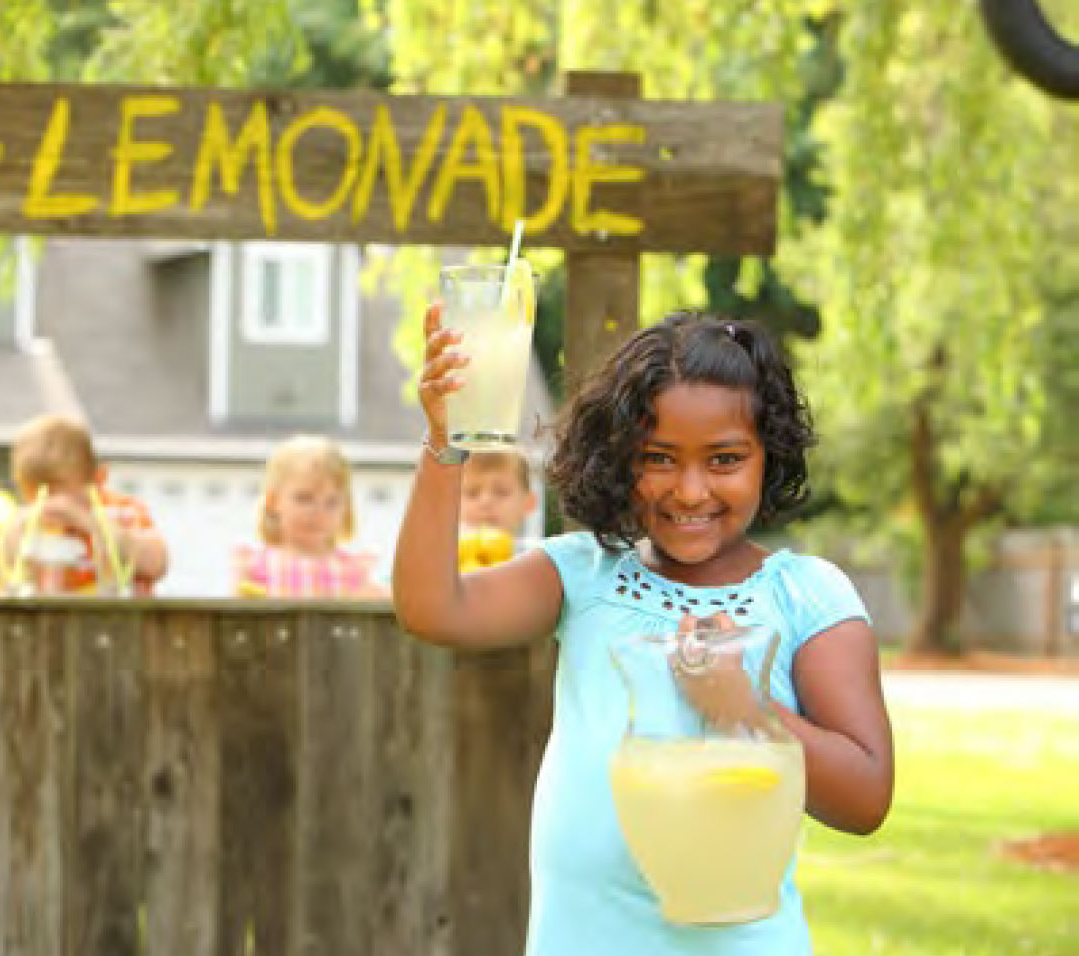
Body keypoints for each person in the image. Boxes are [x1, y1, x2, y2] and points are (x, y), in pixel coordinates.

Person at [393, 307, 894, 955]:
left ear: (769, 456)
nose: (690, 491)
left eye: (724, 459)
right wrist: (444, 442)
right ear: (618, 458)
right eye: (658, 457)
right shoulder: (580, 576)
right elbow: (432, 608)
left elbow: (865, 797)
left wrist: (747, 709)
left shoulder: (806, 595)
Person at [0, 414, 168, 595]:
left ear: (96, 479)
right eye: (36, 495)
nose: (49, 504)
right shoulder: (27, 525)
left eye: (58, 491)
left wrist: (94, 525)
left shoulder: (120, 512)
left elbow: (157, 563)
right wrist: (11, 537)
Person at [232, 435, 385, 598]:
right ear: (273, 502)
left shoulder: (354, 572)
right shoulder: (254, 568)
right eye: (304, 499)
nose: (318, 512)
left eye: (332, 502)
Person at [457, 448, 539, 571]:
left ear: (529, 502)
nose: (485, 502)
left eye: (501, 492)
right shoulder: (443, 559)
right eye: (472, 493)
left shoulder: (538, 562)